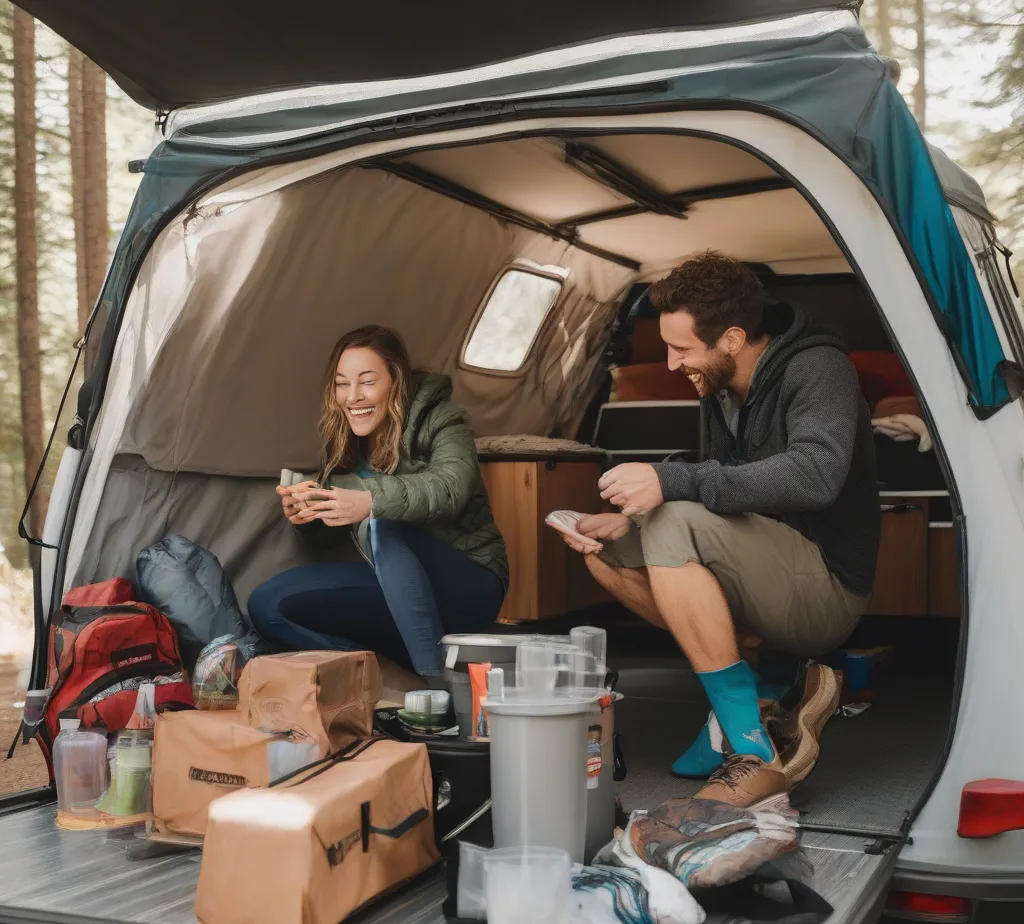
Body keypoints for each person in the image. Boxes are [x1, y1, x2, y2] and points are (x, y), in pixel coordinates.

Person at [557, 252, 880, 807]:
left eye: (681, 349)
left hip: (825, 586)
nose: (671, 362)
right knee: (606, 554)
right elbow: (726, 479)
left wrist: (668, 481)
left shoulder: (819, 368)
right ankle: (745, 707)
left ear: (731, 337)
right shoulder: (720, 385)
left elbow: (815, 474)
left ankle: (753, 751)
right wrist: (629, 519)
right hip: (766, 565)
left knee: (675, 514)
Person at [248, 325, 508, 679]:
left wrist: (368, 502)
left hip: (468, 580)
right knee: (268, 604)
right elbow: (331, 537)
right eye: (342, 384)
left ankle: (436, 682)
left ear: (396, 382)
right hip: (393, 582)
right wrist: (310, 514)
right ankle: (376, 674)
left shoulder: (443, 418)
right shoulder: (344, 439)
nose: (352, 397)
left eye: (367, 381)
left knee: (382, 522)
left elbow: (451, 487)